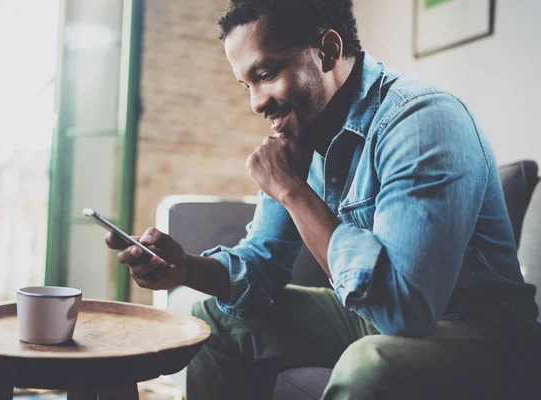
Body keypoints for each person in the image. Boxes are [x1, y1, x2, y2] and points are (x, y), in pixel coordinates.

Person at [106, 0, 541, 398]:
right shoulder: (304, 133)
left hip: (483, 332)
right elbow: (261, 262)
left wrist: (291, 190)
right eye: (246, 85)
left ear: (328, 51)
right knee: (216, 320)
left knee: (370, 363)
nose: (257, 103)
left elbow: (407, 312)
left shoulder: (423, 120)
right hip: (379, 316)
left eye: (267, 73)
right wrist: (183, 267)